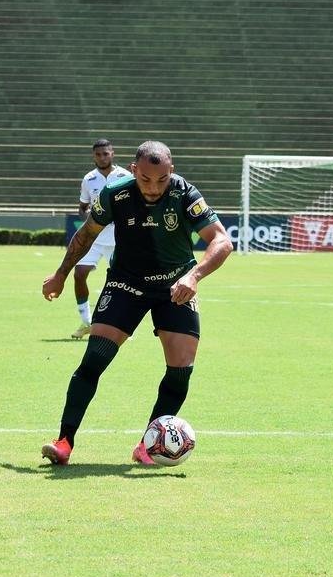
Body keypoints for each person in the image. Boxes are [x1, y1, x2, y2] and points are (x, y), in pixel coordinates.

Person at [40, 140, 232, 466]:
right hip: (126, 282)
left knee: (181, 368)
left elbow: (222, 240)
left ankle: (148, 445)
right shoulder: (116, 194)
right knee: (95, 358)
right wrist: (60, 274)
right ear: (133, 170)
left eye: (162, 179)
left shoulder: (185, 193)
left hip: (175, 286)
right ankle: (64, 442)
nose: (154, 187)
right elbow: (86, 234)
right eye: (145, 179)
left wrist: (194, 276)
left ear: (171, 171)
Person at [70, 139, 132, 339]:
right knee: (79, 273)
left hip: (118, 240)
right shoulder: (89, 179)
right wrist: (87, 219)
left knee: (122, 283)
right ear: (93, 156)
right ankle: (86, 321)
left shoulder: (125, 176)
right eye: (98, 154)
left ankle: (123, 325)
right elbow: (82, 207)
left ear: (112, 154)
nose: (102, 157)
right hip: (94, 239)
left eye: (106, 153)